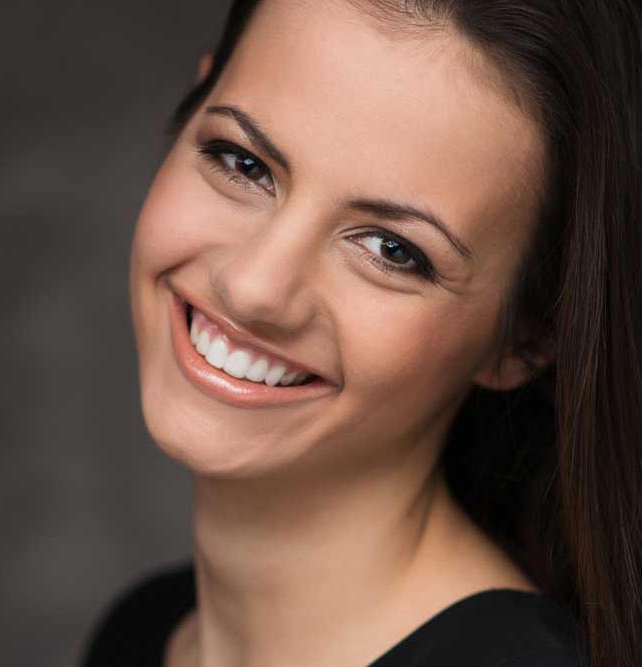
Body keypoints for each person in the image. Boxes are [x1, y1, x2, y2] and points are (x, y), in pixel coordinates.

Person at [82, 0, 642, 665]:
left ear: (523, 339)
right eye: (244, 163)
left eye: (391, 248)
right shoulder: (143, 632)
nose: (254, 286)